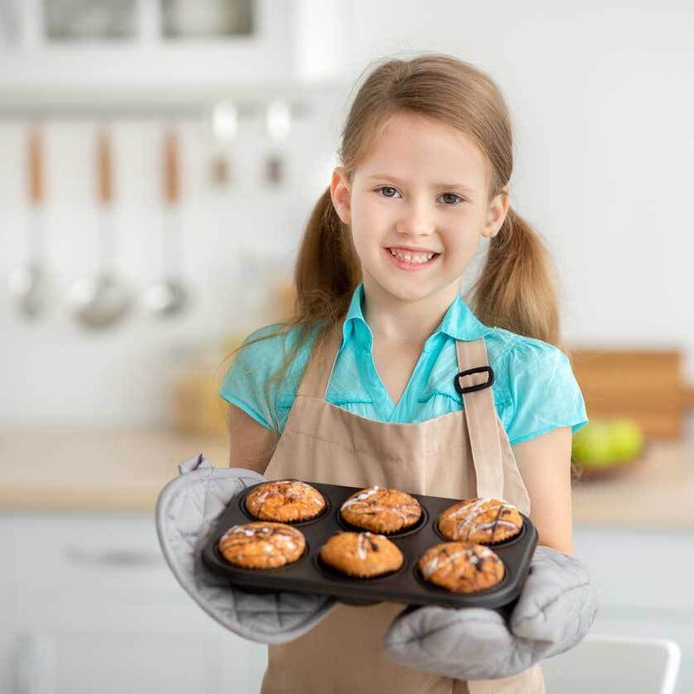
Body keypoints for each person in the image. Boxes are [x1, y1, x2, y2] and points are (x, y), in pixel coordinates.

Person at [219, 53, 592, 693]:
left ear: (492, 215)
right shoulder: (272, 367)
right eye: (388, 189)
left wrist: (516, 625)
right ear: (344, 194)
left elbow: (550, 561)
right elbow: (250, 538)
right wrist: (209, 545)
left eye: (450, 197)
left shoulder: (528, 376)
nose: (416, 222)